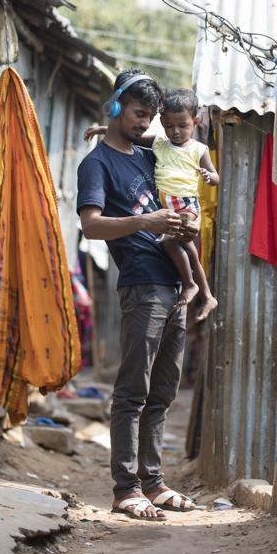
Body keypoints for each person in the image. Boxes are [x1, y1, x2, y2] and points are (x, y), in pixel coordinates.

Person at [76, 69, 199, 521]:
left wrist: (182, 222)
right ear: (115, 107)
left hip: (174, 284)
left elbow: (179, 159)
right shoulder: (96, 164)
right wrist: (144, 223)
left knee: (163, 391)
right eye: (138, 114)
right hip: (142, 284)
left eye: (150, 117)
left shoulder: (148, 155)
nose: (145, 124)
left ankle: (154, 482)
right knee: (132, 392)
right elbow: (90, 225)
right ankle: (125, 488)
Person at [85, 88, 219, 322]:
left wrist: (209, 177)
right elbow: (133, 138)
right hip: (166, 208)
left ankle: (194, 287)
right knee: (182, 246)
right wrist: (103, 129)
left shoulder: (199, 149)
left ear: (195, 122)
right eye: (169, 126)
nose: (175, 132)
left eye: (183, 126)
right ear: (162, 123)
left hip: (185, 203)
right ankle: (201, 291)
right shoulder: (159, 144)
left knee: (179, 242)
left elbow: (215, 176)